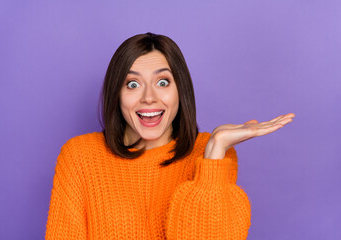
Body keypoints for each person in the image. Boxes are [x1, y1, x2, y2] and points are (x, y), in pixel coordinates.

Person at [45, 32, 295, 240]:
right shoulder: (80, 156)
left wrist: (215, 150)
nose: (149, 97)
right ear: (117, 95)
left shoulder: (209, 153)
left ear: (180, 91)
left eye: (163, 82)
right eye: (132, 84)